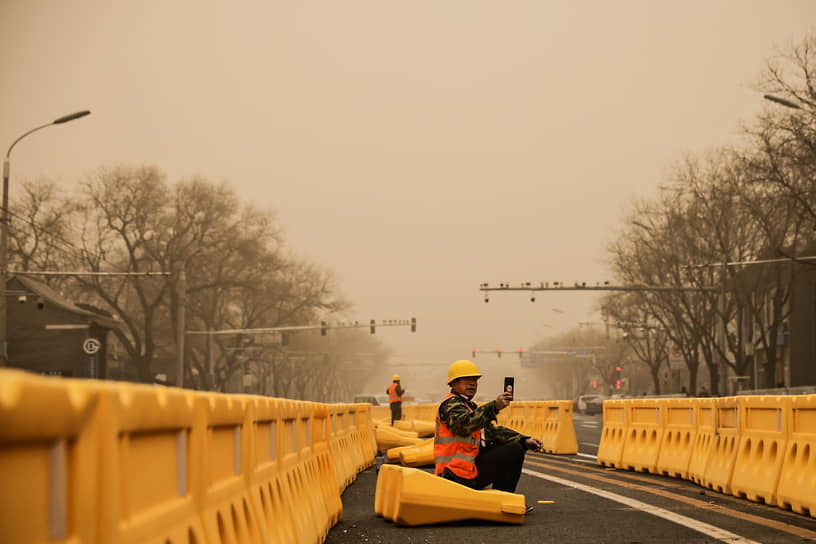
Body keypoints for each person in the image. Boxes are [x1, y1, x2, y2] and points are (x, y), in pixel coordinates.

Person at [434, 359, 543, 498]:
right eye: (466, 379)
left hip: (466, 470)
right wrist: (494, 407)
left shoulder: (469, 406)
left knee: (514, 447)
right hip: (452, 474)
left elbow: (492, 432)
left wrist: (524, 440)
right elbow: (463, 425)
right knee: (513, 451)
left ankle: (501, 499)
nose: (472, 383)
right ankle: (502, 501)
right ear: (453, 383)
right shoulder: (451, 405)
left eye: (474, 380)